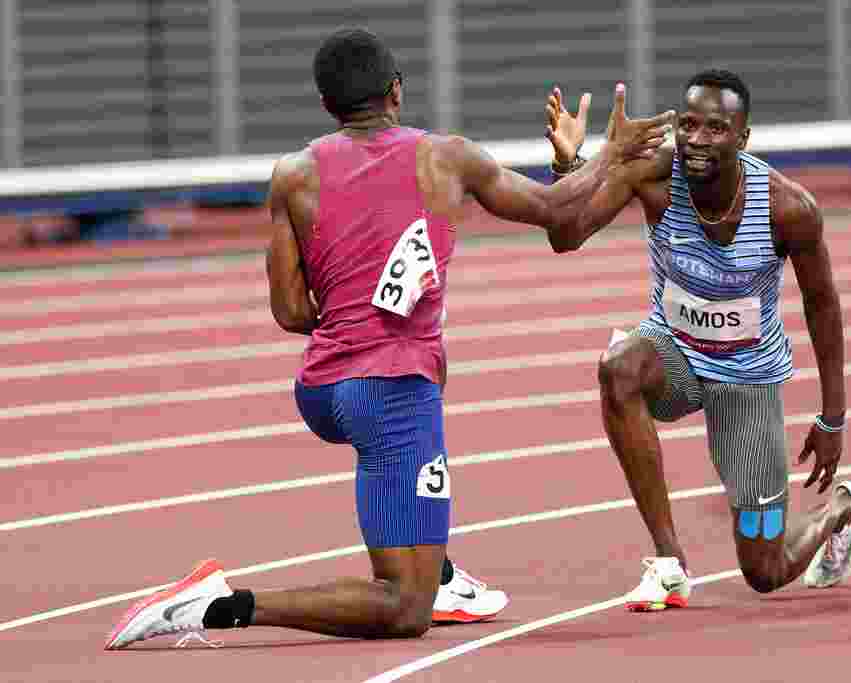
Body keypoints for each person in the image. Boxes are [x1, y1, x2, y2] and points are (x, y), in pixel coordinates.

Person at [104, 27, 674, 650]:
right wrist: (606, 156)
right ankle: (217, 605)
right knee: (405, 607)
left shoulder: (293, 174)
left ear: (327, 106)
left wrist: (353, 314)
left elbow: (291, 311)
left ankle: (442, 569)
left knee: (419, 396)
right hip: (390, 395)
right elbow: (559, 212)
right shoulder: (447, 157)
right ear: (396, 92)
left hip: (321, 391)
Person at [542, 69, 851, 609]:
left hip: (748, 379)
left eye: (715, 128)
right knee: (619, 367)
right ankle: (670, 563)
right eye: (687, 124)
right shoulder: (653, 176)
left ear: (743, 137)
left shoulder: (789, 209)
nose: (695, 138)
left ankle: (839, 512)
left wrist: (833, 417)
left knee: (765, 571)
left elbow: (822, 305)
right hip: (674, 353)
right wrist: (569, 164)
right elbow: (565, 236)